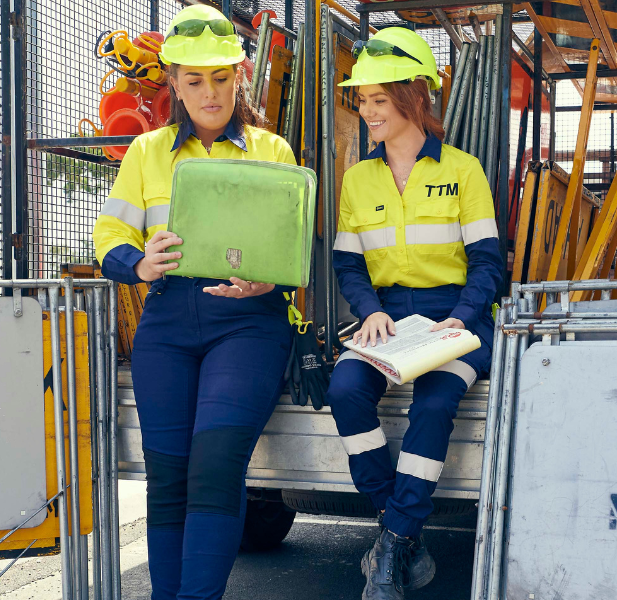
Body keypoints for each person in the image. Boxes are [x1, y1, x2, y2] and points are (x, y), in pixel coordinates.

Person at [91, 5, 297, 599]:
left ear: (241, 76)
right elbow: (109, 236)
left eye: (222, 78)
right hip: (168, 322)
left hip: (249, 323)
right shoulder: (146, 152)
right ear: (176, 84)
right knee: (169, 479)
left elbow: (294, 248)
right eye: (195, 81)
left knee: (214, 467)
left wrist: (272, 278)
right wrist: (138, 263)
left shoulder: (272, 151)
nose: (210, 93)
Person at [326, 27, 503, 600]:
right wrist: (370, 311)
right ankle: (397, 530)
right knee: (345, 390)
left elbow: (487, 264)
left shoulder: (464, 170)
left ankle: (392, 545)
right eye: (363, 101)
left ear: (413, 99)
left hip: (457, 319)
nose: (368, 111)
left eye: (379, 100)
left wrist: (464, 315)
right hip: (388, 323)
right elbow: (349, 265)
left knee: (435, 403)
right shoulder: (358, 178)